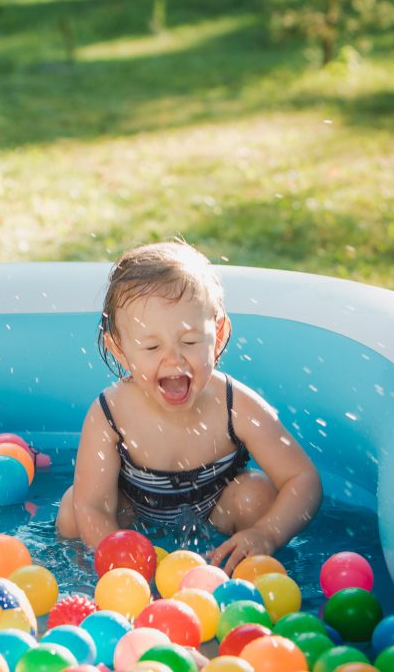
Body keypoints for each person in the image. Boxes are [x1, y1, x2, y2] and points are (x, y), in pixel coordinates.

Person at [56, 241, 320, 573]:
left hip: (217, 518)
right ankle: (82, 576)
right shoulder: (111, 413)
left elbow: (303, 478)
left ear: (219, 333)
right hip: (135, 518)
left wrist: (266, 533)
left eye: (191, 342)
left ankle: (246, 568)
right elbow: (92, 505)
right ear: (120, 350)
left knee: (256, 494)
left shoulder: (234, 405)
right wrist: (120, 564)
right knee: (72, 509)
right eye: (151, 346)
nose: (174, 358)